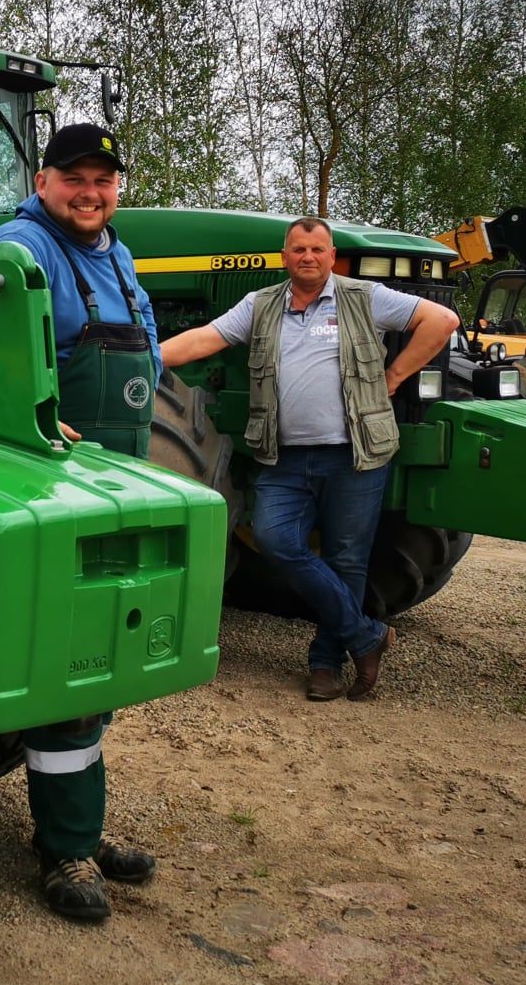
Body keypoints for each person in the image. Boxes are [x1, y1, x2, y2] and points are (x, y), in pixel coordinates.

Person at [0, 122, 160, 924]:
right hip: (62, 482)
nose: (91, 193)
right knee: (71, 662)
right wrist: (38, 418)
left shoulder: (117, 252)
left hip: (122, 476)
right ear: (44, 180)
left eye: (104, 180)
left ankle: (75, 820)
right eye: (75, 179)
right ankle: (66, 846)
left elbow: (144, 346)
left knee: (107, 657)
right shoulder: (19, 246)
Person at [160, 217, 459, 702]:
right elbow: (205, 339)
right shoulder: (262, 305)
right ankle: (368, 636)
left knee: (347, 560)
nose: (308, 257)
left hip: (354, 456)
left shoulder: (361, 298)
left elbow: (441, 321)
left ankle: (325, 664)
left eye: (317, 249)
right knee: (277, 541)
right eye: (299, 249)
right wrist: (145, 356)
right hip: (286, 459)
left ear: (330, 254)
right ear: (285, 256)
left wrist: (395, 376)